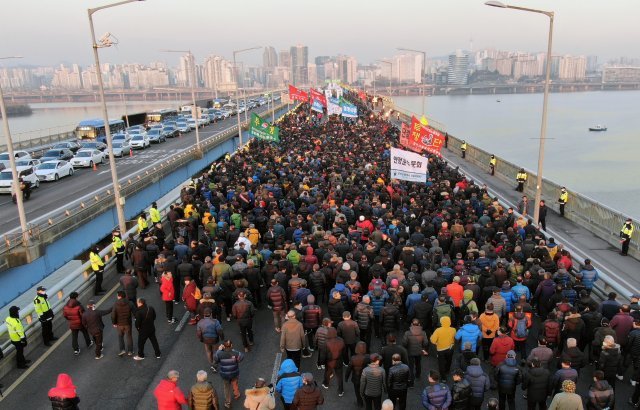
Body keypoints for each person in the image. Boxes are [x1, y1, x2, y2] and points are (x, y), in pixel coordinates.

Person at [214, 340, 244, 409]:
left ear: (223, 346)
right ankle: (237, 394)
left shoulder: (220, 353)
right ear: (231, 345)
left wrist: (219, 350)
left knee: (226, 387)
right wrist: (233, 351)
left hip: (225, 374)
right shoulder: (235, 353)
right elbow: (241, 357)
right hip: (234, 373)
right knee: (235, 383)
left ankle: (228, 402)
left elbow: (215, 359)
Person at [346, 341, 370, 408]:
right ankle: (367, 403)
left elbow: (349, 369)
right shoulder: (368, 357)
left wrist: (346, 377)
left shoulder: (353, 358)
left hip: (356, 378)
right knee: (366, 391)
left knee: (357, 391)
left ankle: (360, 403)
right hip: (365, 378)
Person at [111, 290, 134, 357]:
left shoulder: (115, 304)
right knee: (129, 336)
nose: (117, 296)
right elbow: (135, 312)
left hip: (119, 324)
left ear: (119, 296)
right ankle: (130, 351)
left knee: (120, 337)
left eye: (117, 295)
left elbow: (113, 315)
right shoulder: (130, 303)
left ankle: (122, 350)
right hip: (128, 323)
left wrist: (114, 323)